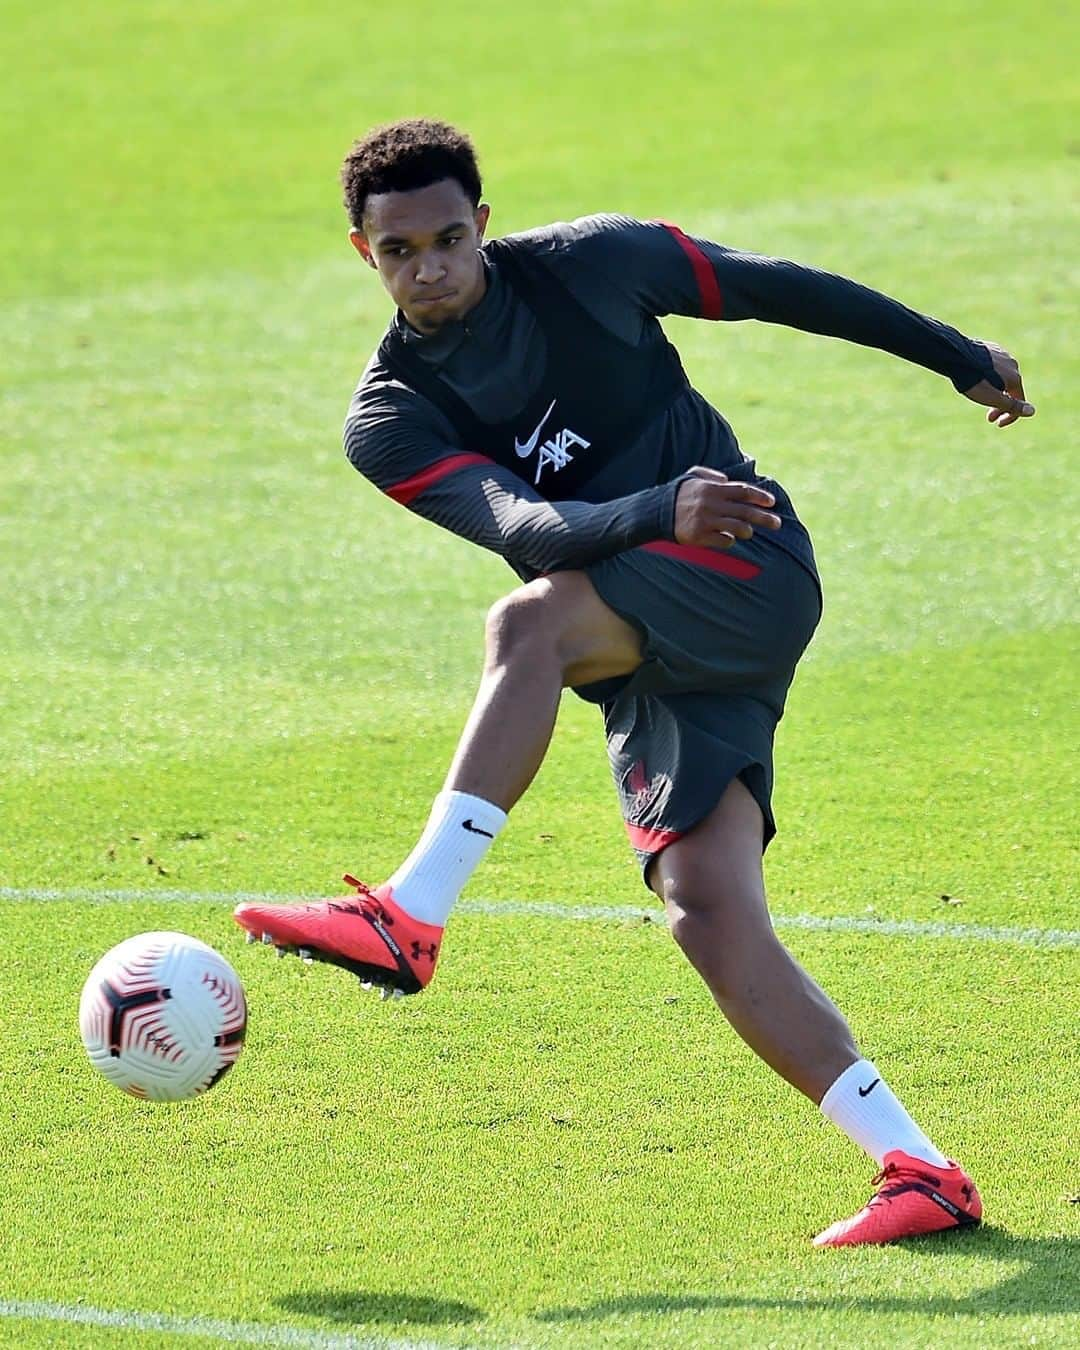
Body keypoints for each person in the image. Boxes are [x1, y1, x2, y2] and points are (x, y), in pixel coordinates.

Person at [234, 119, 1034, 1247]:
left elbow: (778, 288)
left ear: (486, 225)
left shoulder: (597, 264)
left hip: (747, 564)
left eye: (451, 237)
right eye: (402, 249)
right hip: (636, 637)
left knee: (526, 626)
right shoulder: (390, 419)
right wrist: (662, 506)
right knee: (707, 911)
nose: (432, 267)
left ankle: (409, 916)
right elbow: (524, 522)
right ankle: (919, 1168)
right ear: (364, 254)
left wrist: (953, 351)